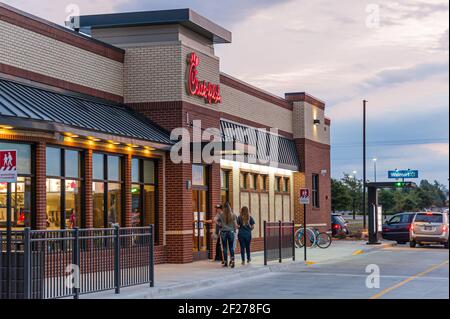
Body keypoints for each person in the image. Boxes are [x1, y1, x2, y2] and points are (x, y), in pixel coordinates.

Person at [218, 202, 237, 268]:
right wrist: (234, 230)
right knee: (231, 247)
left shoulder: (221, 215)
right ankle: (232, 261)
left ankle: (225, 262)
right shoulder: (233, 215)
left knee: (225, 247)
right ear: (230, 207)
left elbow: (219, 224)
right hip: (231, 232)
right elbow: (235, 225)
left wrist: (221, 226)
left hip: (223, 232)